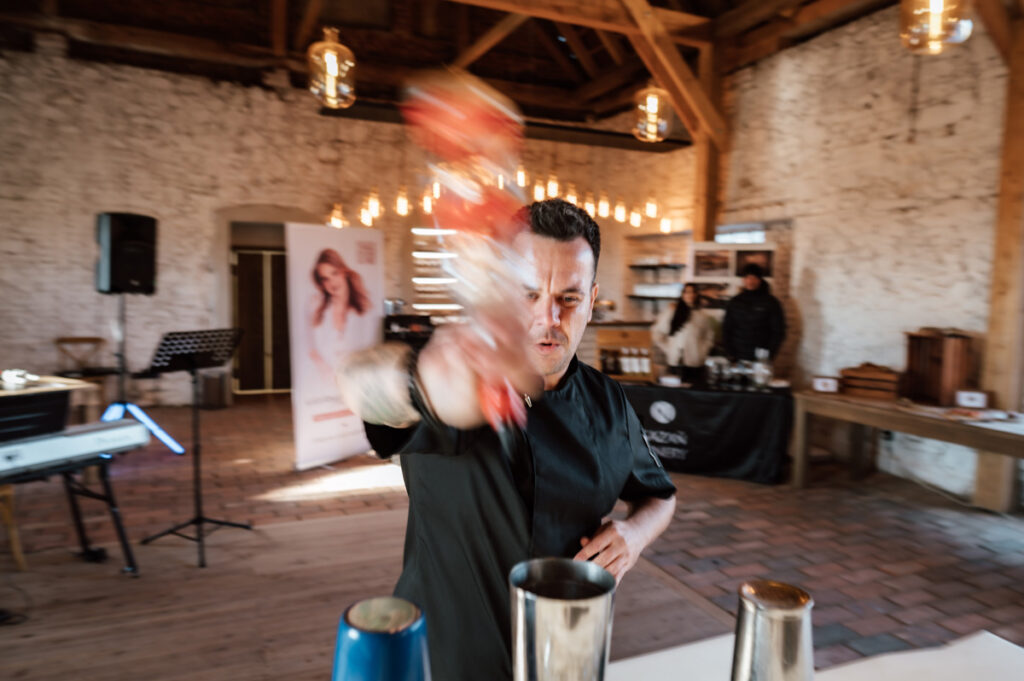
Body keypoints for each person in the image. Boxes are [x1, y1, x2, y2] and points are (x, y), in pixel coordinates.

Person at [337, 199, 677, 681]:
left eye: (569, 298)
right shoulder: (459, 373)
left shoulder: (609, 402)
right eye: (529, 294)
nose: (548, 317)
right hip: (445, 657)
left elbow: (659, 495)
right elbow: (359, 385)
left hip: (564, 656)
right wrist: (423, 384)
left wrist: (634, 535)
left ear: (592, 299)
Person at [308, 248, 372, 376]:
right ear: (322, 284)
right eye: (325, 279)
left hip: (357, 379)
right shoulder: (317, 308)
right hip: (325, 381)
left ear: (344, 272)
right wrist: (327, 374)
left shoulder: (364, 309)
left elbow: (369, 353)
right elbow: (312, 350)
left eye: (335, 273)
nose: (332, 283)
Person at [651, 282, 715, 381]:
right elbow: (657, 333)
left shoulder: (703, 316)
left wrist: (703, 352)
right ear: (682, 294)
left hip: (696, 362)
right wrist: (668, 348)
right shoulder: (671, 312)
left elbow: (709, 337)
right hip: (676, 361)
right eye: (687, 292)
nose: (691, 295)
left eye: (693, 292)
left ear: (697, 294)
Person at [722, 263, 786, 361]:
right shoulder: (735, 301)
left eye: (754, 278)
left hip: (761, 354)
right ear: (743, 280)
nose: (750, 281)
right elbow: (727, 328)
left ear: (760, 280)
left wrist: (770, 353)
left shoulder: (771, 302)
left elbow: (778, 330)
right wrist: (729, 351)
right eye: (748, 277)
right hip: (737, 354)